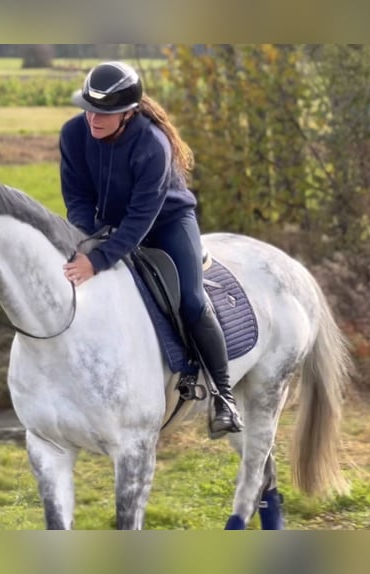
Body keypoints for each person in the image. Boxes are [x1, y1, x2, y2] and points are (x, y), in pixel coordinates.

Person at [59, 61, 243, 434]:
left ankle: (224, 397)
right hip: (108, 225)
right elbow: (76, 196)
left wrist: (98, 260)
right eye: (89, 109)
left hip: (166, 223)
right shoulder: (74, 134)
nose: (94, 119)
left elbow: (143, 217)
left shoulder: (152, 144)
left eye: (105, 113)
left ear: (128, 113)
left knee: (191, 300)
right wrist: (89, 235)